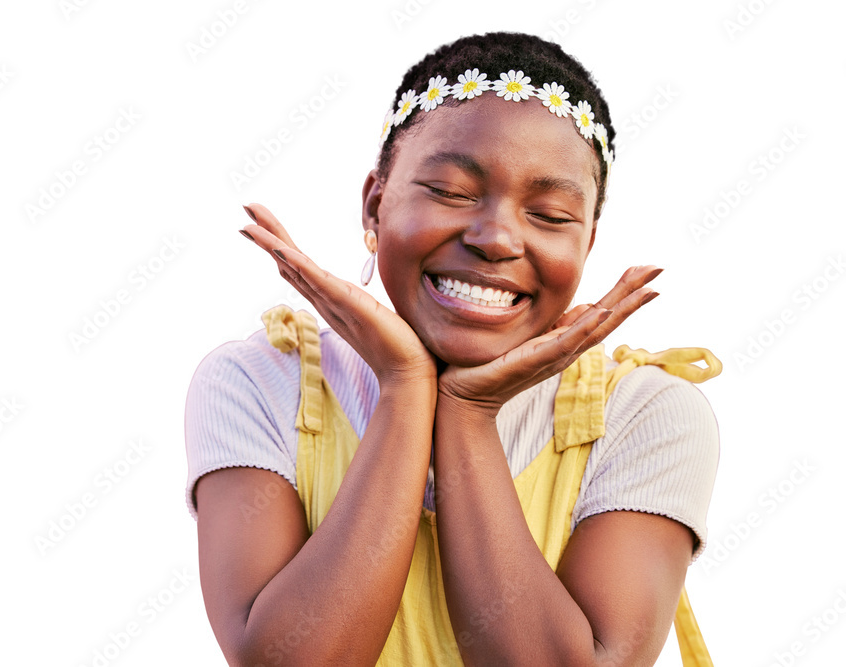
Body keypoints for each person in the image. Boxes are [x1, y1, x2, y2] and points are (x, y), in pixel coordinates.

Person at [186, 32, 721, 665]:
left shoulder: (645, 413)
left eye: (550, 215)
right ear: (375, 204)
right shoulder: (259, 382)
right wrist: (405, 389)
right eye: (450, 192)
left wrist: (467, 414)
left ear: (588, 243)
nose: (496, 237)